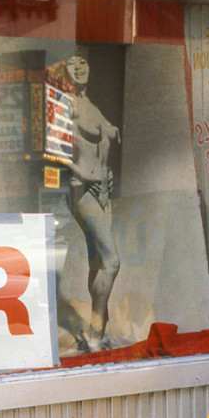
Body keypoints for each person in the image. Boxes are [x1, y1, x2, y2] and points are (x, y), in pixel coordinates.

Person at [65, 52, 121, 352]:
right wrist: (88, 175)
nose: (79, 67)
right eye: (72, 63)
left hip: (101, 191)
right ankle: (96, 332)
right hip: (83, 190)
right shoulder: (63, 103)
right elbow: (54, 151)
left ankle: (102, 330)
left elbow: (100, 144)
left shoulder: (89, 104)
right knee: (112, 261)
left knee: (99, 262)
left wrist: (105, 172)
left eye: (84, 61)